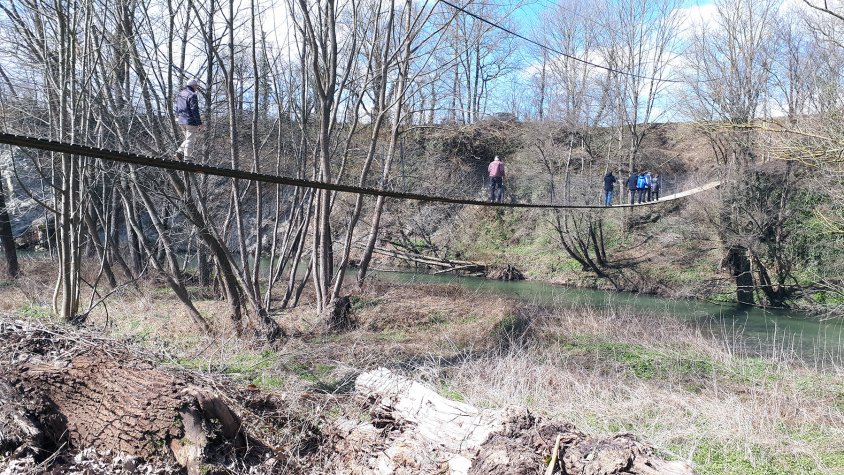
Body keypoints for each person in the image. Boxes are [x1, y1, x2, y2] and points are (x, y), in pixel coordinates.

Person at [175, 78, 204, 160]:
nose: (196, 88)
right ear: (193, 86)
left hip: (181, 121)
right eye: (196, 86)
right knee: (190, 140)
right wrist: (199, 122)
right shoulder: (192, 95)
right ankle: (187, 158)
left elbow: (176, 107)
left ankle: (180, 152)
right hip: (190, 121)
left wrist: (178, 117)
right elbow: (194, 109)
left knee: (188, 139)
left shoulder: (180, 94)